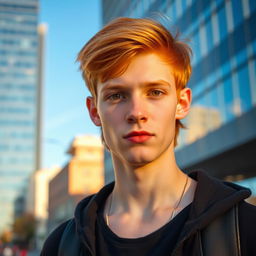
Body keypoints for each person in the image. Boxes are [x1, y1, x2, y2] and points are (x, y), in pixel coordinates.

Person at [41, 17, 256, 256]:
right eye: (116, 95)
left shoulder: (246, 230)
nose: (136, 113)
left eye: (155, 92)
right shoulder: (61, 245)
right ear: (94, 111)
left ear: (181, 103)